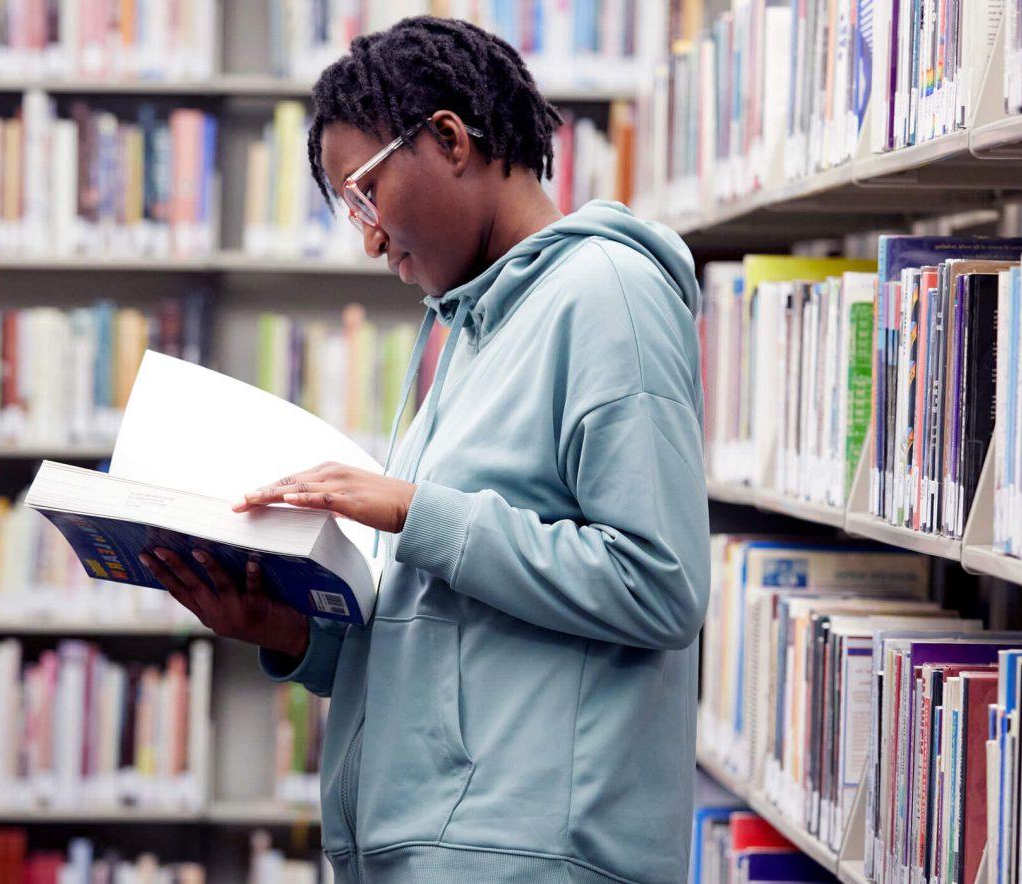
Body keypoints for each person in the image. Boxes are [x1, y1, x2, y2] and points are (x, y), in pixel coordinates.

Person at [138, 16, 710, 882]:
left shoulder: (608, 295)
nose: (368, 238)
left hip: (535, 862)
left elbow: (659, 584)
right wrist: (294, 635)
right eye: (349, 211)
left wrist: (414, 510)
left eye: (365, 194)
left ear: (448, 139)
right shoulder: (472, 334)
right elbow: (460, 632)